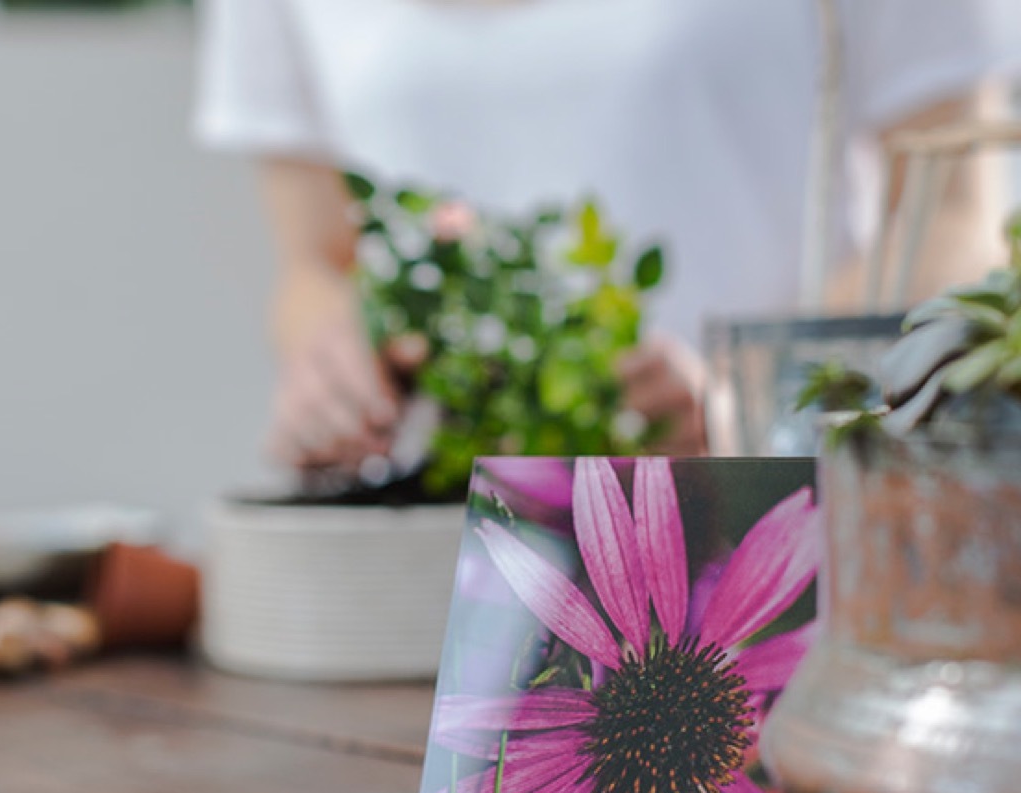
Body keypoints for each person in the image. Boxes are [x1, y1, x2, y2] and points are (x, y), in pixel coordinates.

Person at [194, 0, 1021, 471]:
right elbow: (316, 263)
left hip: (762, 524)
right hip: (434, 558)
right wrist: (333, 368)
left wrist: (762, 407)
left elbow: (953, 212)